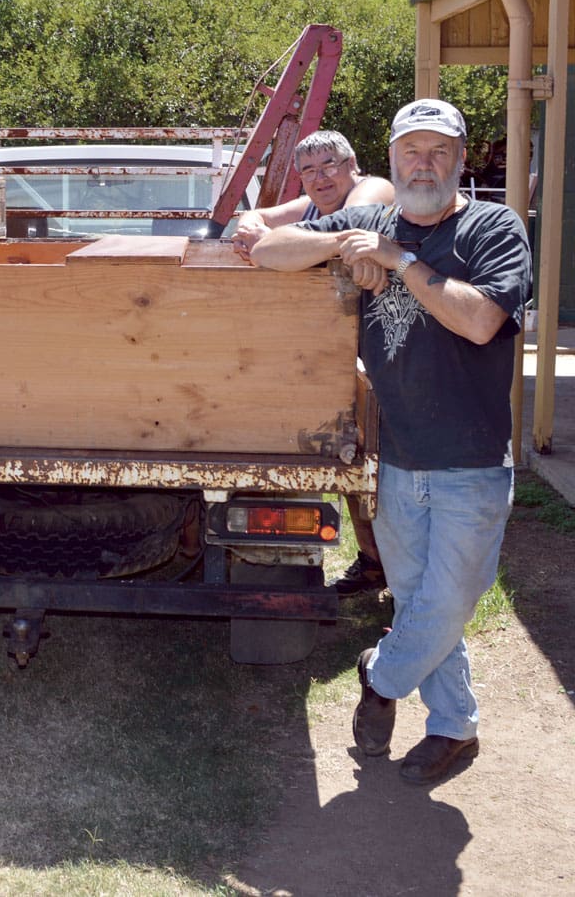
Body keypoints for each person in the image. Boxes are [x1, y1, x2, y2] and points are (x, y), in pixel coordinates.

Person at [251, 99, 531, 785]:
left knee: (449, 600)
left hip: (471, 459)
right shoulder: (371, 220)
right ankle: (454, 726)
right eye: (412, 151)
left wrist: (400, 260)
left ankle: (380, 675)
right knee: (416, 600)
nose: (424, 164)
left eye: (439, 151)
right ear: (394, 159)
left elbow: (478, 319)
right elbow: (265, 248)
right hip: (399, 459)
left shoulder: (494, 228)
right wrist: (344, 248)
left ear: (461, 160)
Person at [233, 130, 395, 598]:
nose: (321, 178)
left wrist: (279, 246)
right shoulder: (309, 207)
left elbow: (351, 225)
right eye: (309, 170)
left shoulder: (373, 190)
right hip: (341, 354)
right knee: (347, 459)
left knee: (380, 469)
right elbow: (256, 218)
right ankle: (373, 564)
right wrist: (252, 224)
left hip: (389, 352)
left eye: (330, 165)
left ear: (353, 165)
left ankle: (402, 574)